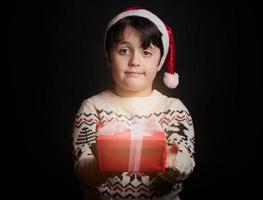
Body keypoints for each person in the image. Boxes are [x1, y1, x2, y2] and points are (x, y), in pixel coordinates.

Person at [72, 7, 195, 200]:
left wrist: (170, 161)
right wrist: (104, 162)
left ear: (159, 63)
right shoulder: (91, 108)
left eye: (146, 52)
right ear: (109, 57)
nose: (134, 61)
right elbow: (82, 171)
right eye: (124, 50)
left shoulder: (173, 109)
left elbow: (186, 167)